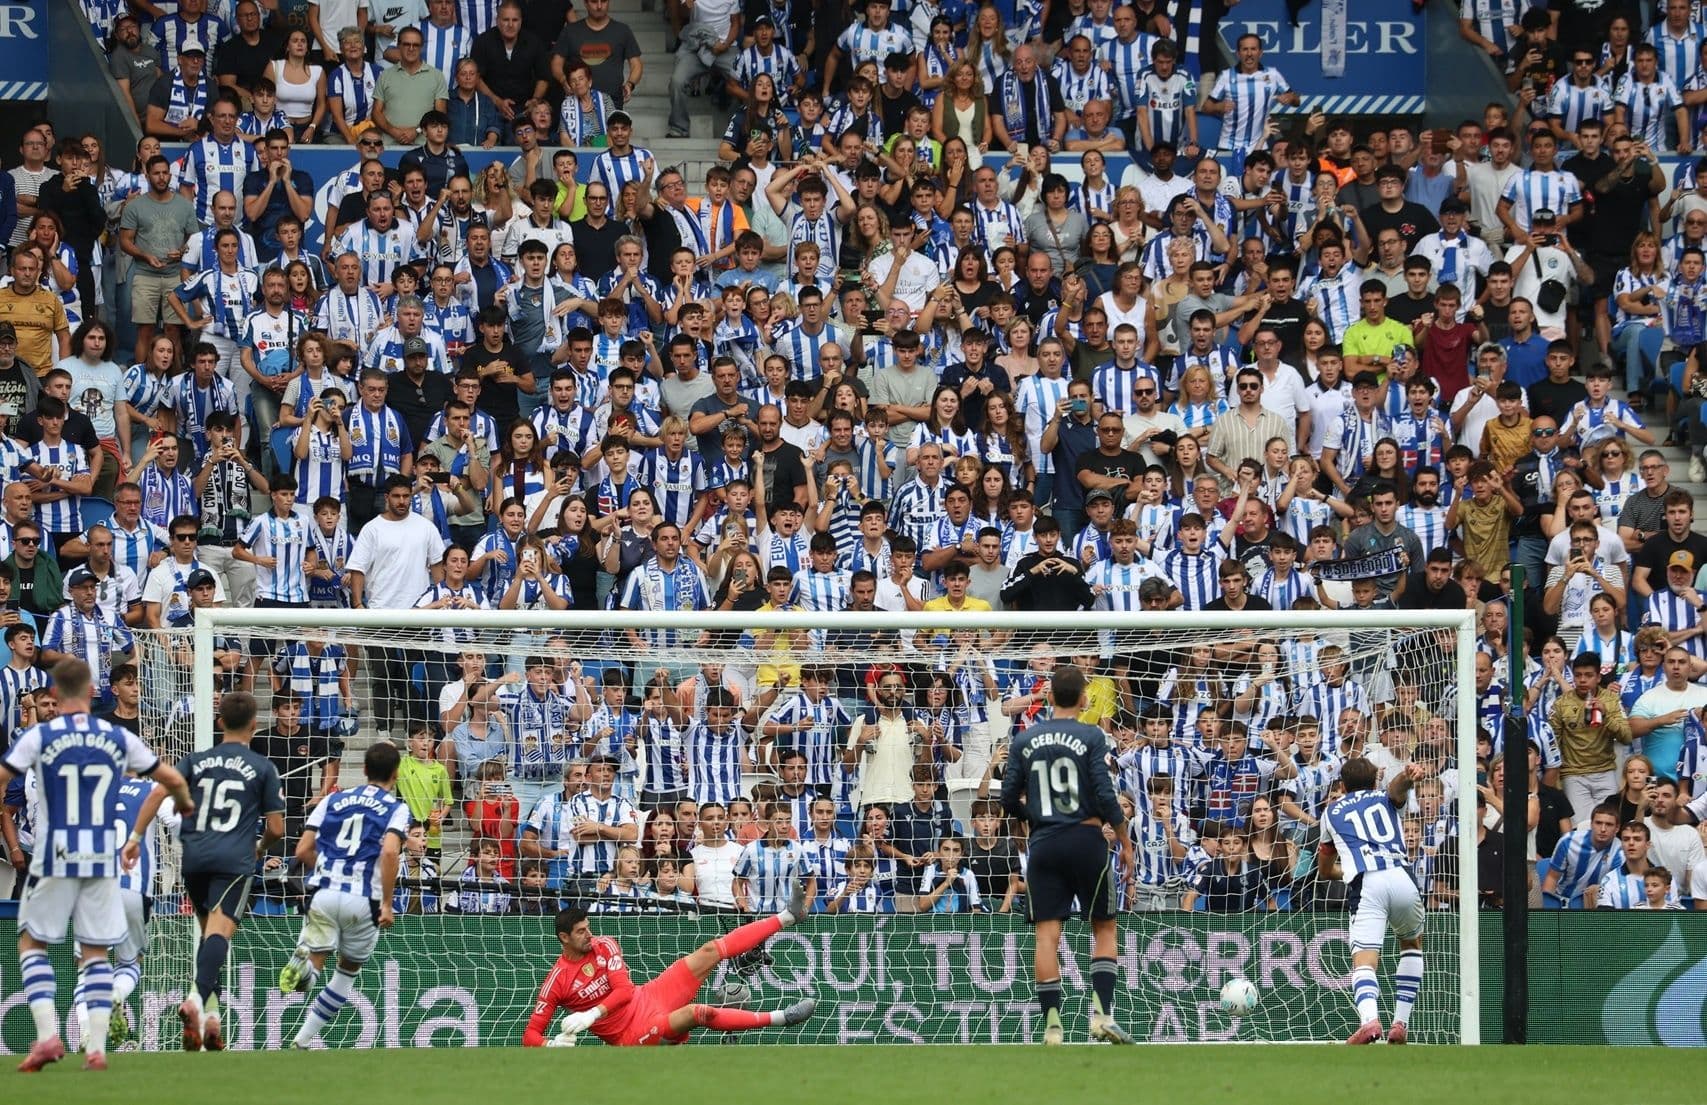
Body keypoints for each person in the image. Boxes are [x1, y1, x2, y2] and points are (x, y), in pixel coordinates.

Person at [1, 658, 192, 1072]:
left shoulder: (41, 735)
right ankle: (97, 1049)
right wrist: (188, 802)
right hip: (105, 860)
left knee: (32, 945)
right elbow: (172, 781)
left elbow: (3, 779)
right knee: (95, 953)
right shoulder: (114, 738)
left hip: (55, 855)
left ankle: (49, 1036)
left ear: (53, 696)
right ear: (93, 692)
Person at [1000, 663, 1134, 1046]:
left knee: (1047, 935)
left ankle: (1053, 1026)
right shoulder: (1092, 735)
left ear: (1049, 696)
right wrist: (1124, 842)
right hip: (1087, 838)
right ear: (1083, 698)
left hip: (1044, 843)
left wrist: (1038, 819)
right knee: (1104, 926)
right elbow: (1106, 794)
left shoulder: (1024, 740)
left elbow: (1007, 797)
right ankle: (1101, 1016)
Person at [143, 690, 284, 1052]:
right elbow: (277, 829)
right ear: (255, 725)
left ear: (220, 722)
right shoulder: (263, 767)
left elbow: (158, 794)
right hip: (233, 861)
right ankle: (194, 998)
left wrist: (134, 836)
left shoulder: (195, 759)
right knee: (220, 934)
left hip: (194, 859)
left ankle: (212, 1021)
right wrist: (260, 848)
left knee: (209, 937)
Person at [521, 891, 818, 1047]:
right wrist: (550, 1045)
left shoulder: (604, 945)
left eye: (589, 928)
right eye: (581, 932)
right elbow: (530, 1034)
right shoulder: (557, 981)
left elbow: (624, 991)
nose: (590, 935)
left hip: (649, 996)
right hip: (631, 1033)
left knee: (710, 950)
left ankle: (788, 916)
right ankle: (781, 1018)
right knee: (697, 1013)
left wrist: (592, 1013)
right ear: (564, 938)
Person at [276, 742, 409, 1048]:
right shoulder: (396, 808)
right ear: (396, 774)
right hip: (363, 900)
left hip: (324, 892)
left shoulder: (333, 799)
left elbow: (302, 850)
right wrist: (387, 904)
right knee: (346, 971)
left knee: (315, 964)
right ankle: (303, 1041)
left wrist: (326, 868)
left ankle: (304, 967)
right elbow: (390, 851)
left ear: (363, 770)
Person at [1322, 757, 1427, 1045]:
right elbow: (1397, 789)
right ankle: (1400, 1023)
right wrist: (1407, 775)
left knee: (1365, 961)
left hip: (1367, 883)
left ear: (1342, 786)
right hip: (1401, 877)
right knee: (1411, 944)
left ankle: (1369, 1021)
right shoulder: (1385, 796)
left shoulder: (1331, 811)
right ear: (1374, 782)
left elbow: (1325, 866)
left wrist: (1342, 871)